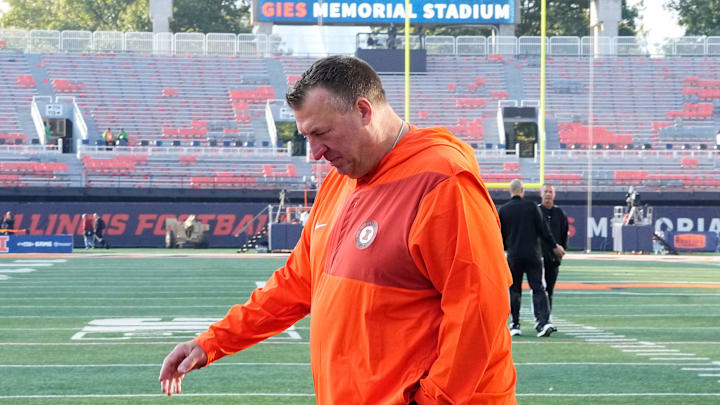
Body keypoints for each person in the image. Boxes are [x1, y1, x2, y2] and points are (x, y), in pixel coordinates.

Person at [159, 55, 517, 403]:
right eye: (306, 136)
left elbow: (479, 311)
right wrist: (211, 342)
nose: (314, 153)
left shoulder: (442, 181)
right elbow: (297, 283)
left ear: (363, 111)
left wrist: (435, 399)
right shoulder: (341, 181)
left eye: (321, 133)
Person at [498, 179, 565, 338]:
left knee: (514, 290)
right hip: (533, 254)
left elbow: (499, 235)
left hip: (514, 255)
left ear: (510, 191)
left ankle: (515, 324)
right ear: (523, 191)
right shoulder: (532, 206)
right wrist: (555, 245)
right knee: (538, 288)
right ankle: (544, 321)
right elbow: (544, 230)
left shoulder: (504, 210)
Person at [538, 184, 568, 311]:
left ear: (554, 195)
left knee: (549, 289)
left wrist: (562, 249)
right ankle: (540, 317)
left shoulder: (559, 213)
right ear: (541, 194)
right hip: (538, 257)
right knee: (539, 288)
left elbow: (564, 233)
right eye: (546, 191)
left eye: (550, 192)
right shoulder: (536, 211)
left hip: (553, 258)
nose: (548, 194)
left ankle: (547, 317)